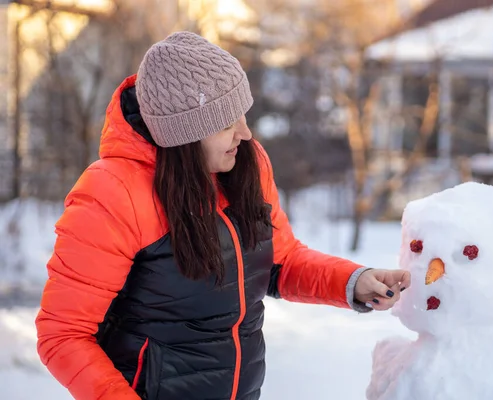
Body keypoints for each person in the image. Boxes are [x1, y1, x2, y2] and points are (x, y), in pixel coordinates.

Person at [34, 31, 411, 400]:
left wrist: (352, 281)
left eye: (242, 116)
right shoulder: (113, 192)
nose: (245, 134)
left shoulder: (245, 165)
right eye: (227, 123)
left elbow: (280, 260)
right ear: (185, 132)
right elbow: (63, 334)